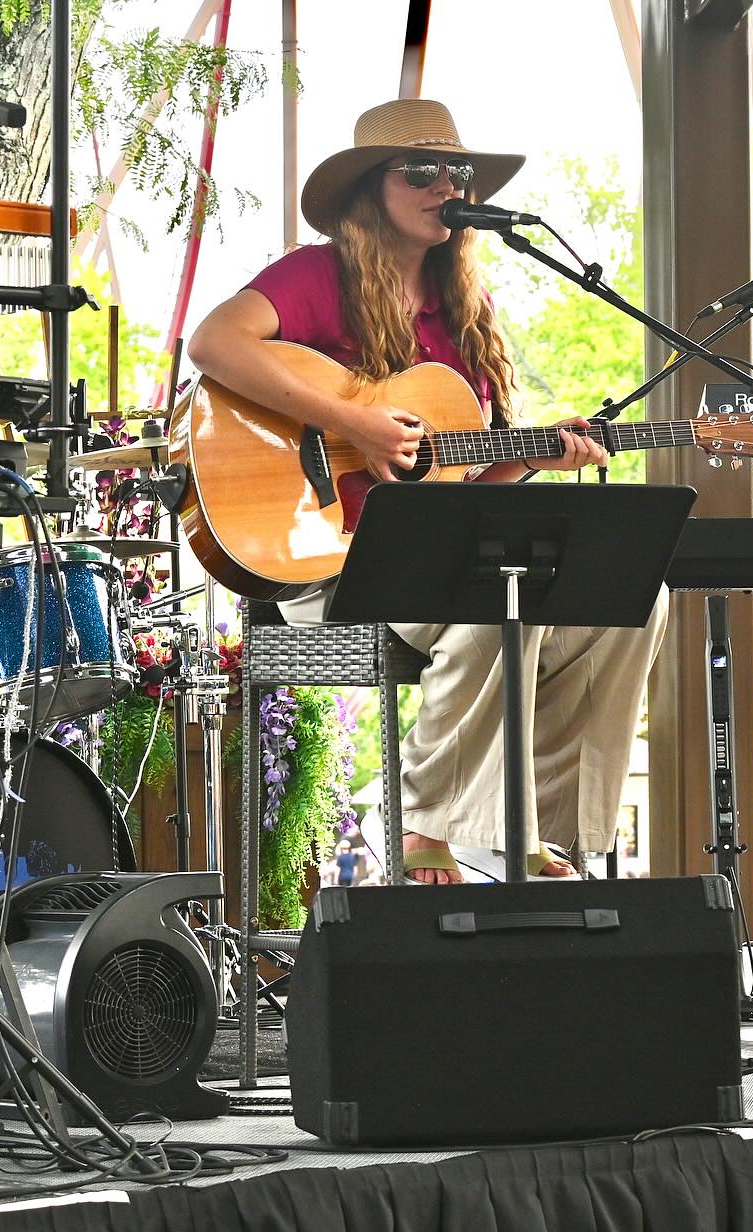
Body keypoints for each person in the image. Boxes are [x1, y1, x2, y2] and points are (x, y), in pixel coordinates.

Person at [188, 98, 669, 885]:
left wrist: (535, 457)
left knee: (631, 592)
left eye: (457, 171)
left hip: (437, 559)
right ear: (369, 189)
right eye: (420, 170)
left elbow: (461, 485)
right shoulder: (319, 276)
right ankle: (423, 820)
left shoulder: (465, 314)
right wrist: (355, 423)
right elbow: (213, 342)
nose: (446, 185)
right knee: (497, 591)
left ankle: (529, 826)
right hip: (331, 563)